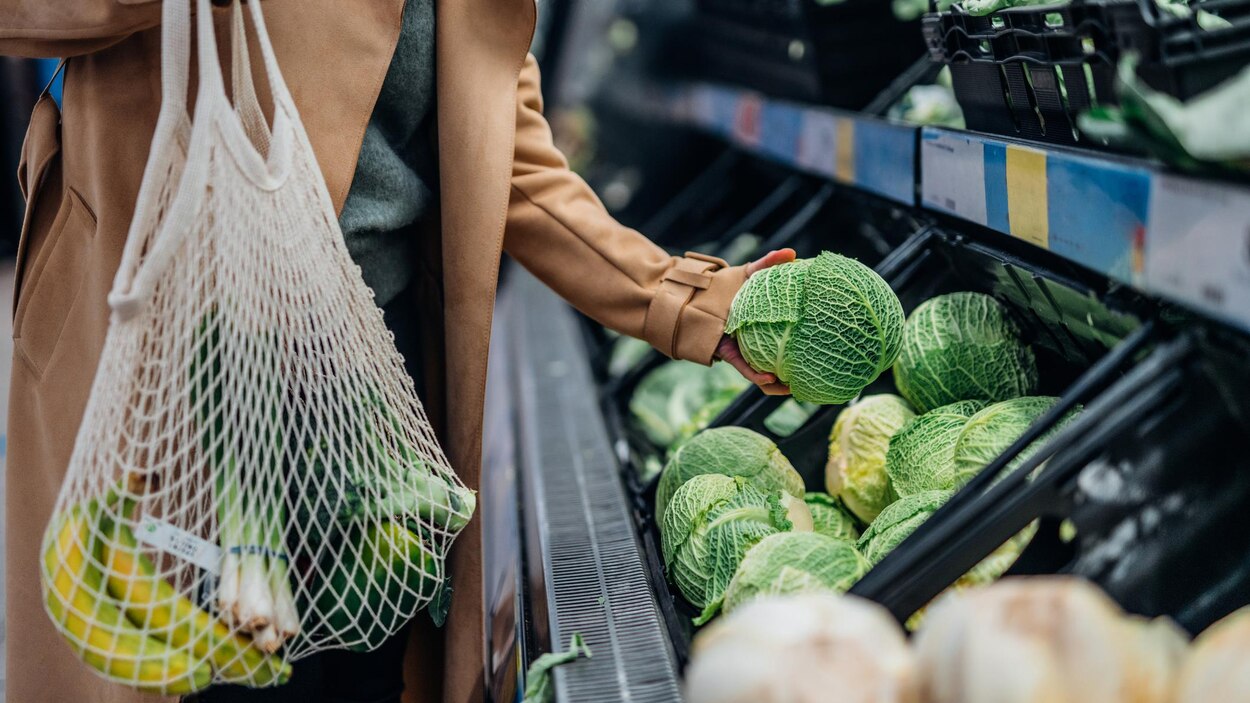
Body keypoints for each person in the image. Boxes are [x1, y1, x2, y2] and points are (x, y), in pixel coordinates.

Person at [0, 1, 793, 701]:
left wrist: (693, 302)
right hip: (181, 375)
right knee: (199, 671)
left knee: (360, 669)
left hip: (375, 382)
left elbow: (515, 169)